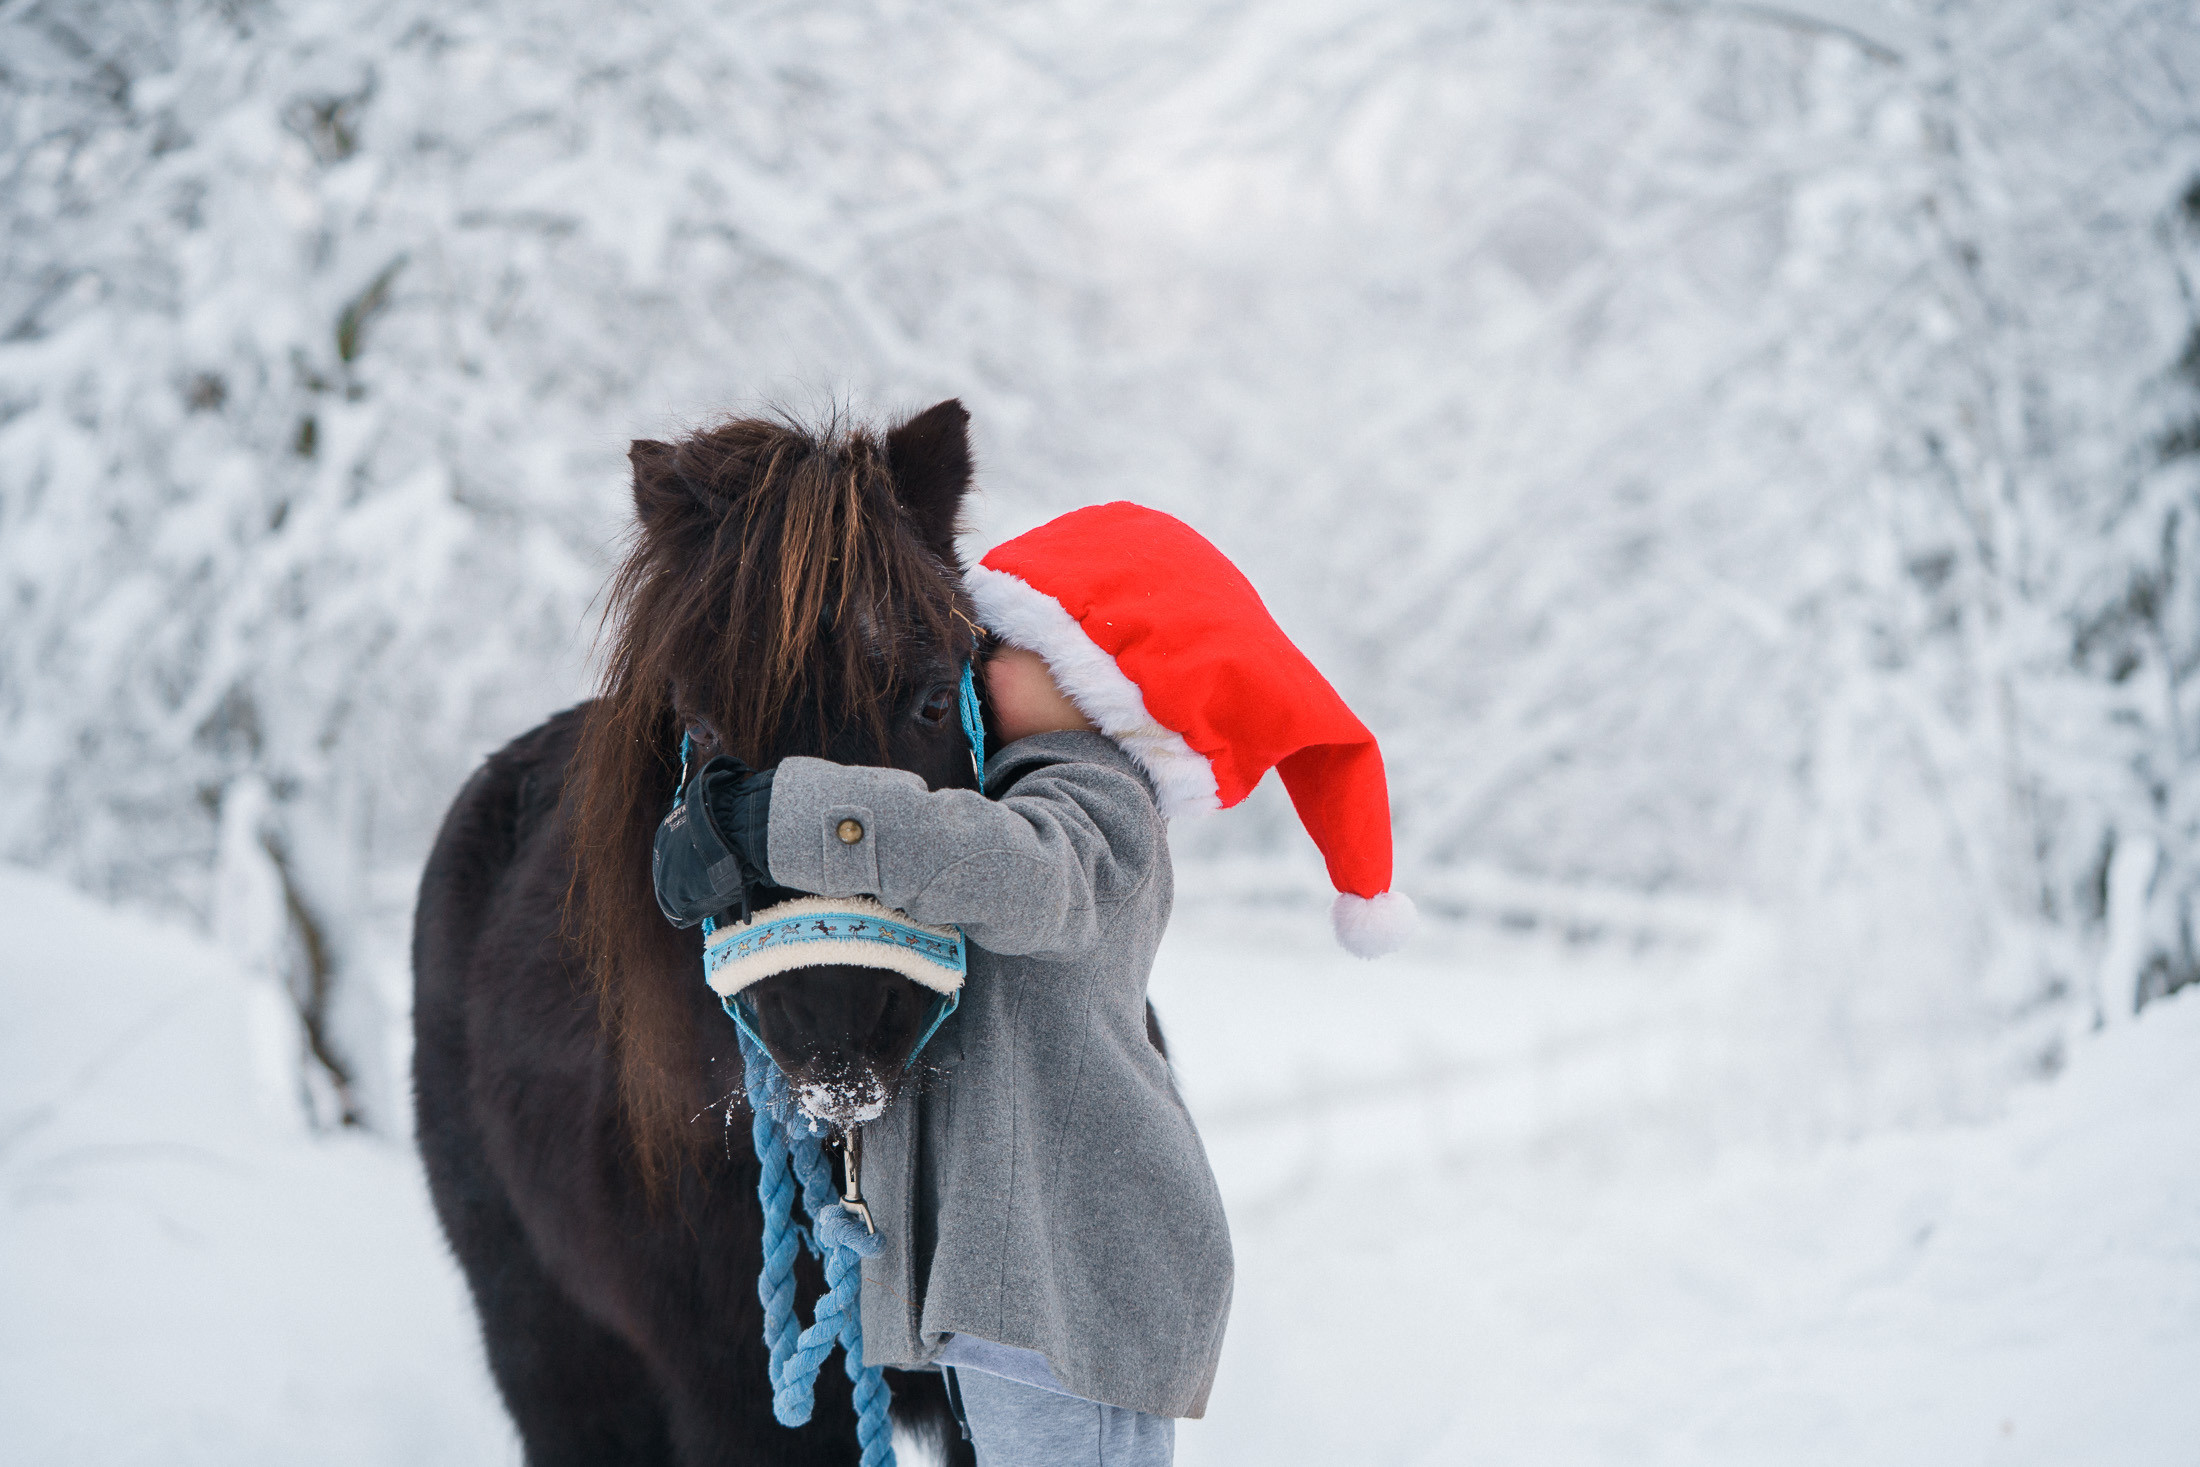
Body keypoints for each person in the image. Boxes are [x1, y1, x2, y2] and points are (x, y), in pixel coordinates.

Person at [705, 502, 1415, 1465]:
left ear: (1100, 682)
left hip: (1060, 1261)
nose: (973, 660)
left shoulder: (1093, 800)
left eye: (1002, 643)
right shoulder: (1038, 790)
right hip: (1052, 1263)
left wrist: (785, 819)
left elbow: (1019, 873)